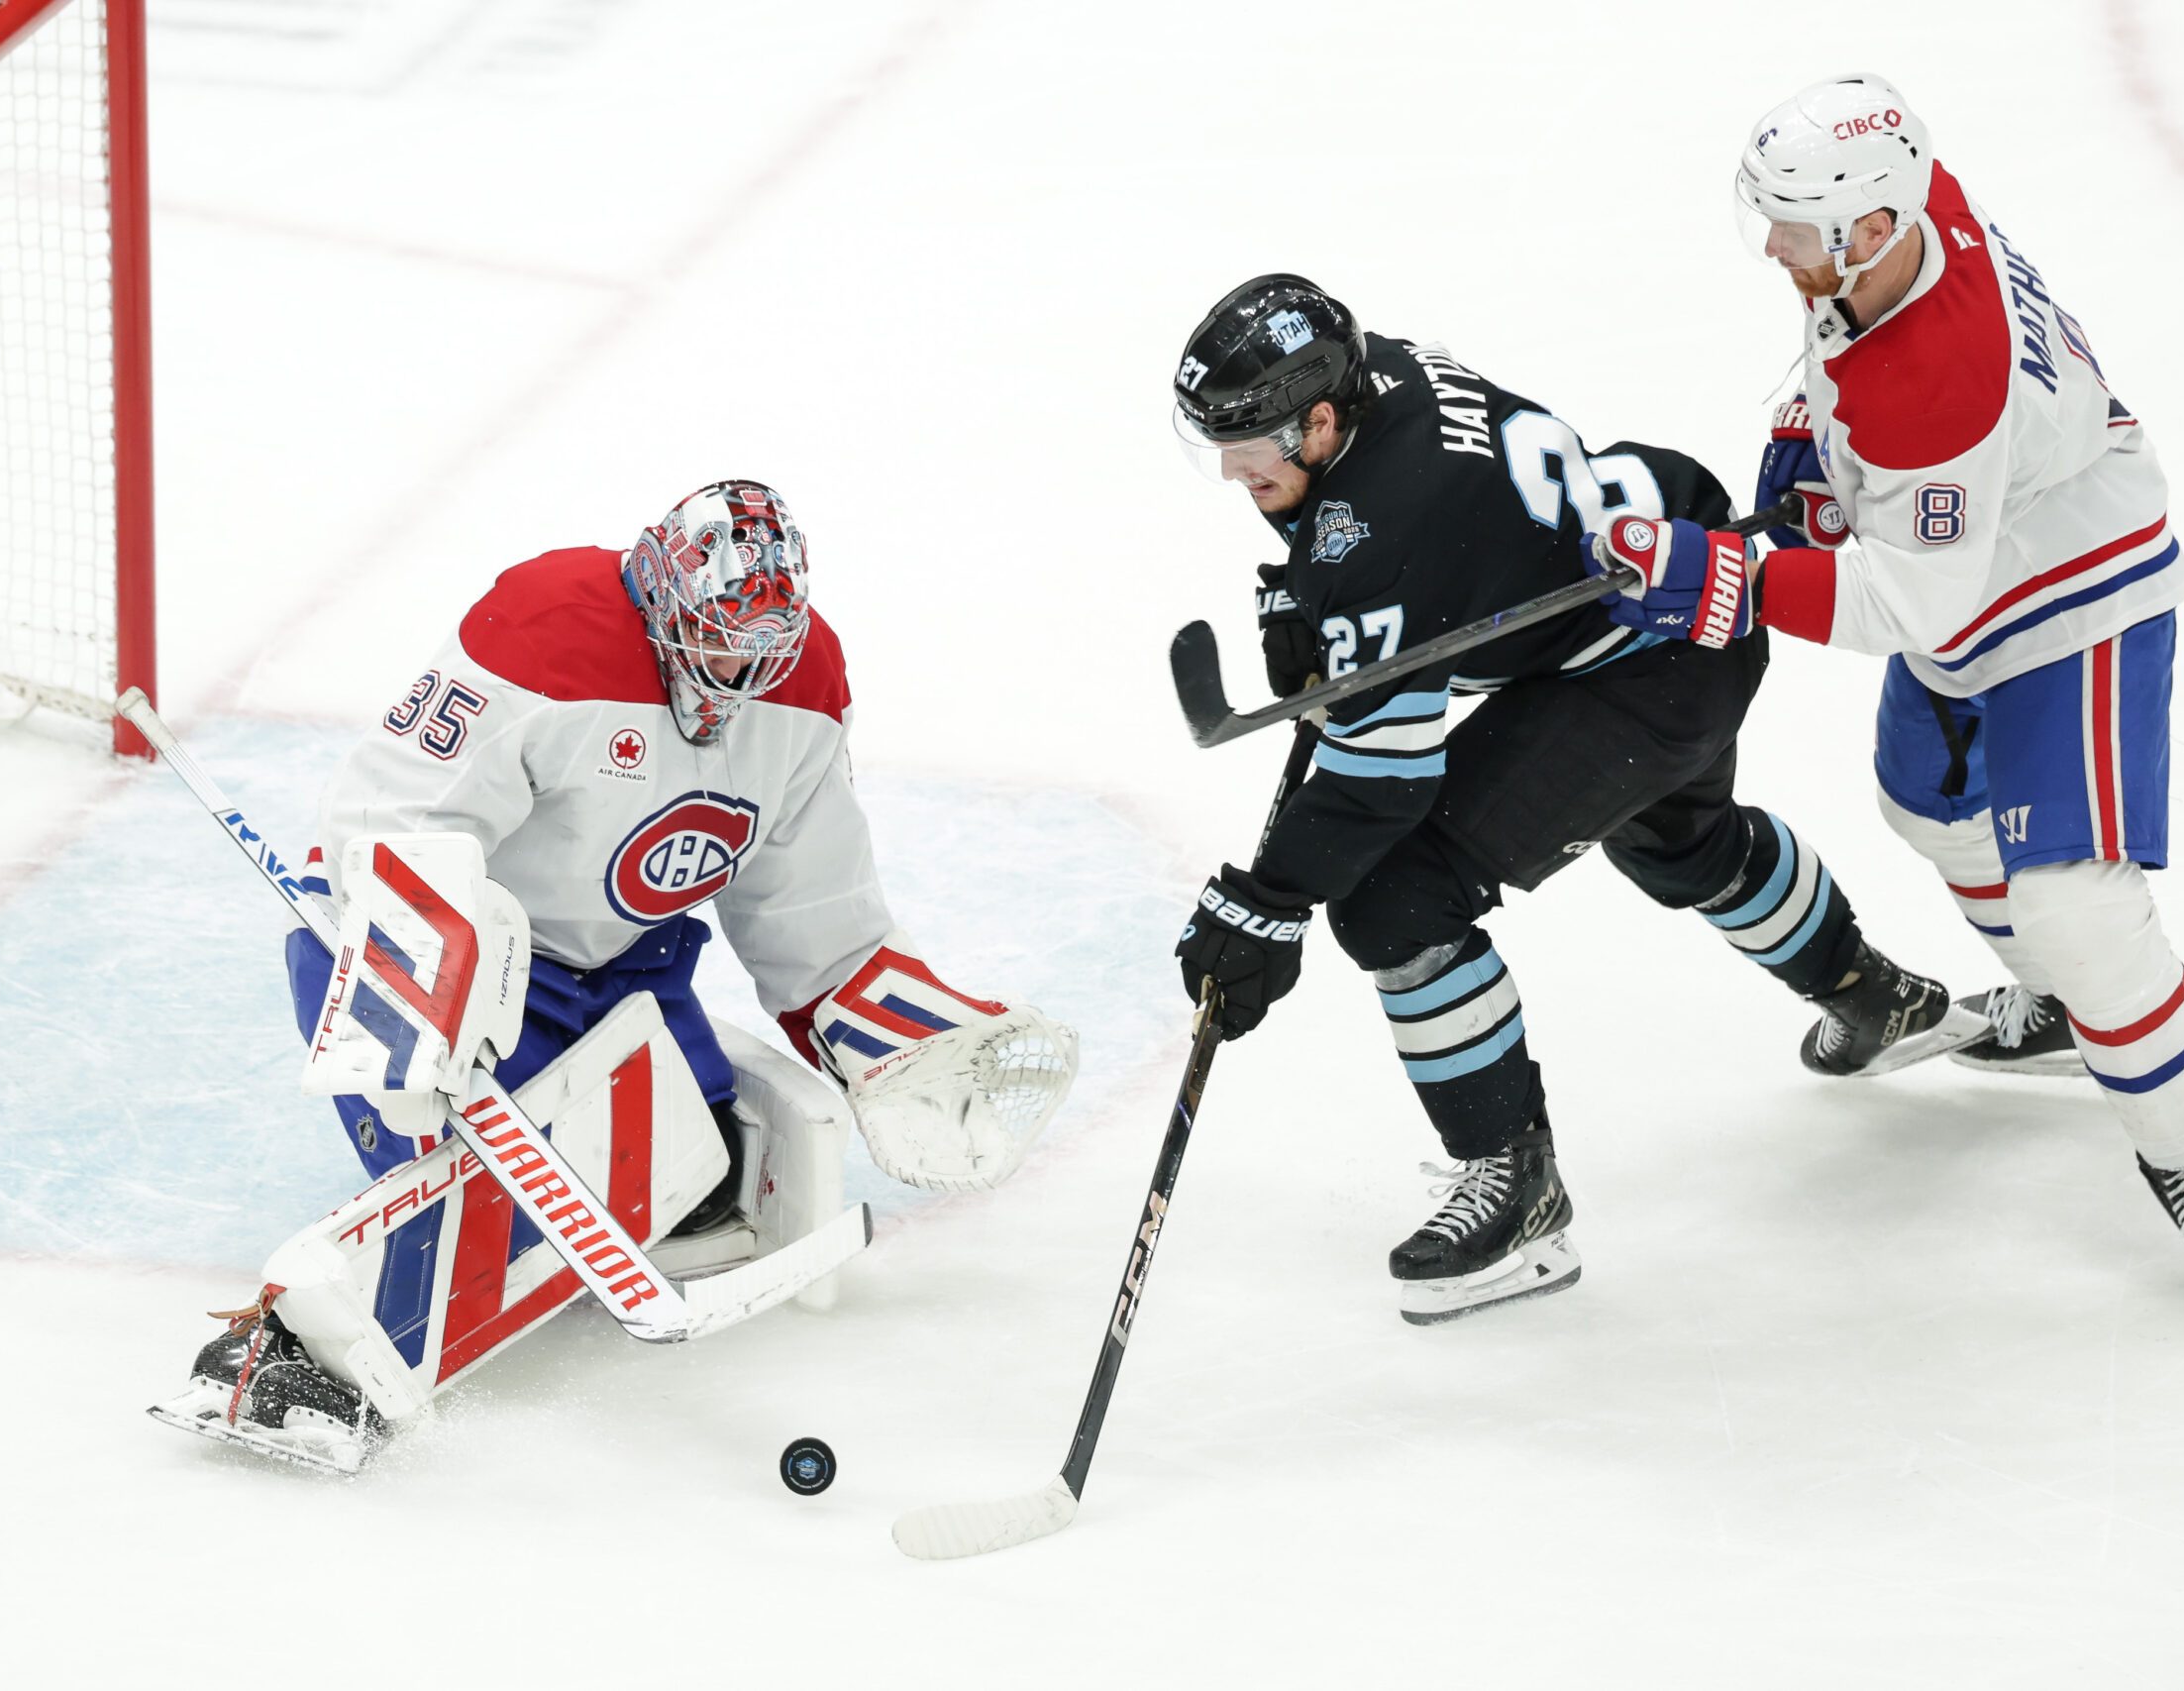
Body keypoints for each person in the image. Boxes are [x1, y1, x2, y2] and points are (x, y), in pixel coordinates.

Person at [151, 479, 1080, 1469]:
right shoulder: (545, 632)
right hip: (438, 953)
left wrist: (892, 1039)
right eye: (719, 637)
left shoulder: (802, 687)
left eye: (765, 645)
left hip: (631, 972)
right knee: (491, 1200)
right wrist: (428, 1005)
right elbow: (394, 825)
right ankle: (283, 1354)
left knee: (689, 1180)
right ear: (660, 601)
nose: (739, 669)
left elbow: (808, 904)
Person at [1607, 73, 2184, 1313]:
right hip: (1979, 545)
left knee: (2077, 906)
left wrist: (1732, 580)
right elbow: (1865, 388)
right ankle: (2073, 1012)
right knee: (1921, 806)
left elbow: (1917, 608)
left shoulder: (1935, 373)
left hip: (2067, 596)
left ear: (1868, 229)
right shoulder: (1905, 215)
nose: (1772, 247)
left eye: (1793, 230)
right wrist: (1817, 443)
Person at [1168, 276, 1964, 1326]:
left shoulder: (1384, 533)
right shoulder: (1381, 374)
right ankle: (1870, 996)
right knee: (1680, 840)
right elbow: (1393, 537)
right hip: (1674, 573)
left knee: (1394, 902)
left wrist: (1265, 901)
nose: (1233, 469)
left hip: (1650, 655)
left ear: (1321, 418)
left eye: (1252, 445)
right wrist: (1308, 598)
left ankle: (1517, 1191)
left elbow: (1379, 786)